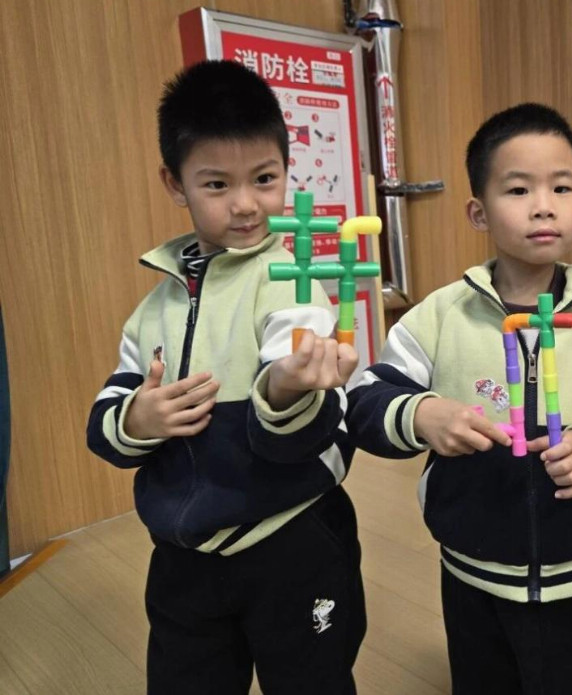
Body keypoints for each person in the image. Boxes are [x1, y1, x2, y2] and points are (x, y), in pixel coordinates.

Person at [347, 103, 572, 694]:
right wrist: (421, 412)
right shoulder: (442, 315)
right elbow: (366, 397)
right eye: (518, 189)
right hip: (471, 569)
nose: (543, 205)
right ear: (478, 212)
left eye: (561, 188)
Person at [86, 60, 365, 695]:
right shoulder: (153, 308)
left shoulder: (292, 285)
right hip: (183, 552)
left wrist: (286, 389)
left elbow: (298, 438)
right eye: (216, 184)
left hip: (292, 536)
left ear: (286, 170)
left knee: (313, 681)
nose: (246, 204)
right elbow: (107, 420)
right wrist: (137, 419)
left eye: (265, 178)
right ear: (175, 183)